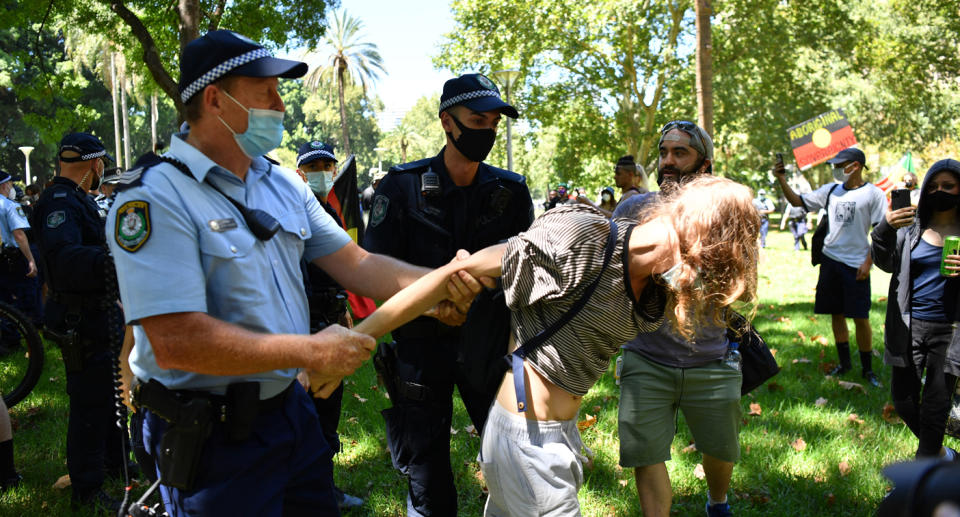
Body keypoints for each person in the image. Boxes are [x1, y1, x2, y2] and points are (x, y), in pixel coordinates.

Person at [106, 31, 480, 516]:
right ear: (216, 99)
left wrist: (436, 288)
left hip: (291, 412)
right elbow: (176, 340)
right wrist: (309, 349)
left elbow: (358, 265)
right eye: (267, 93)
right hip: (212, 437)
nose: (281, 106)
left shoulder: (280, 182)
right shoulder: (155, 198)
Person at [350, 174, 760, 517]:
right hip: (527, 439)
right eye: (715, 261)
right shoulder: (581, 237)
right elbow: (457, 271)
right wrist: (357, 340)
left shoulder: (656, 292)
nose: (707, 280)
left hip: (554, 438)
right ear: (697, 235)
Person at [363, 72, 534, 516]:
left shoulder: (511, 191)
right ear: (447, 122)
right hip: (421, 344)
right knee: (427, 480)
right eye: (478, 120)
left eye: (495, 123)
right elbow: (375, 269)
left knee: (514, 461)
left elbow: (523, 268)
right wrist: (440, 305)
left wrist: (473, 295)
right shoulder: (400, 187)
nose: (488, 132)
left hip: (488, 343)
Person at [613, 120, 743, 517]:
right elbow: (616, 275)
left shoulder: (725, 212)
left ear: (703, 164)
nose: (667, 162)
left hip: (710, 356)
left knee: (720, 449)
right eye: (664, 153)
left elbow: (732, 283)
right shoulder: (634, 208)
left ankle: (717, 504)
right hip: (646, 355)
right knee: (645, 453)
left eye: (680, 153)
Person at [31, 132, 126, 511]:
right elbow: (67, 259)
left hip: (98, 311)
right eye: (102, 166)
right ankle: (86, 487)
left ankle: (114, 463)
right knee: (89, 402)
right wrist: (119, 260)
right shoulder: (59, 202)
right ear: (95, 164)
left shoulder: (77, 199)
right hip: (81, 317)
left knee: (109, 394)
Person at [774, 147, 887, 387]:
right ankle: (844, 363)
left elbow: (879, 233)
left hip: (856, 264)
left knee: (860, 316)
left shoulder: (873, 194)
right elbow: (798, 201)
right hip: (830, 261)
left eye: (840, 164)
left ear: (855, 165)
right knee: (836, 313)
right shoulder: (831, 191)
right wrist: (781, 179)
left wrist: (868, 263)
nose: (836, 169)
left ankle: (868, 370)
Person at [872, 159, 960, 460]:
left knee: (936, 406)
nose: (940, 192)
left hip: (950, 331)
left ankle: (921, 489)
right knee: (904, 400)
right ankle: (943, 455)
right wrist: (885, 226)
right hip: (908, 325)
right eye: (933, 186)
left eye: (948, 186)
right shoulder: (912, 227)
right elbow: (884, 262)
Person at [293, 140, 363, 509]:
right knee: (307, 414)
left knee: (328, 411)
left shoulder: (330, 215)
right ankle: (310, 493)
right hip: (304, 329)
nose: (321, 172)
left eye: (326, 165)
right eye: (313, 166)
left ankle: (324, 487)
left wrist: (344, 310)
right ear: (300, 173)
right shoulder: (295, 213)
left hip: (332, 322)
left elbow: (344, 268)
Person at [0, 170, 40, 342]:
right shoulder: (10, 206)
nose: (12, 187)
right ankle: (28, 335)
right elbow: (19, 235)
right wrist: (31, 260)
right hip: (14, 258)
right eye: (10, 184)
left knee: (3, 300)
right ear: (3, 185)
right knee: (26, 295)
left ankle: (8, 339)